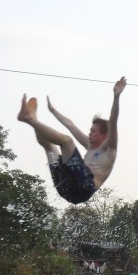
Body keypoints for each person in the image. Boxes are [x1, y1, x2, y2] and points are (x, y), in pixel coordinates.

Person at [18, 76, 127, 204]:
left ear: (104, 135)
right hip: (65, 186)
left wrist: (116, 97)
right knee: (50, 148)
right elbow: (70, 125)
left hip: (84, 187)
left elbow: (113, 122)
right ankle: (33, 120)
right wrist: (53, 111)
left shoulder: (110, 148)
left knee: (67, 142)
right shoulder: (89, 145)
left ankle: (30, 119)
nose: (89, 134)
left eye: (93, 131)